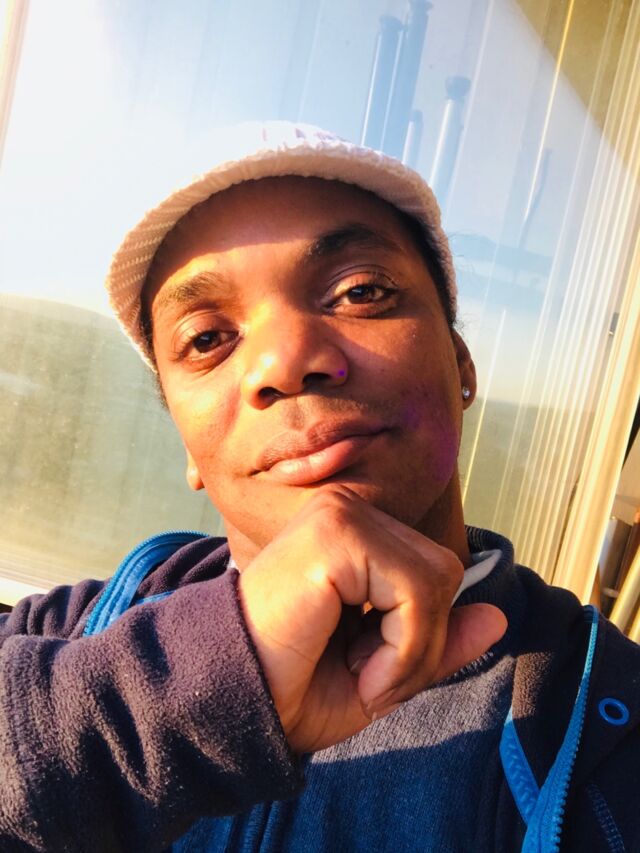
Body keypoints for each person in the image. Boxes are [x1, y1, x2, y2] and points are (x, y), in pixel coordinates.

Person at [0, 121, 638, 853]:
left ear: (462, 364)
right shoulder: (78, 630)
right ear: (186, 444)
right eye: (207, 339)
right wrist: (181, 695)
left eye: (361, 291)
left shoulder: (598, 718)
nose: (286, 359)